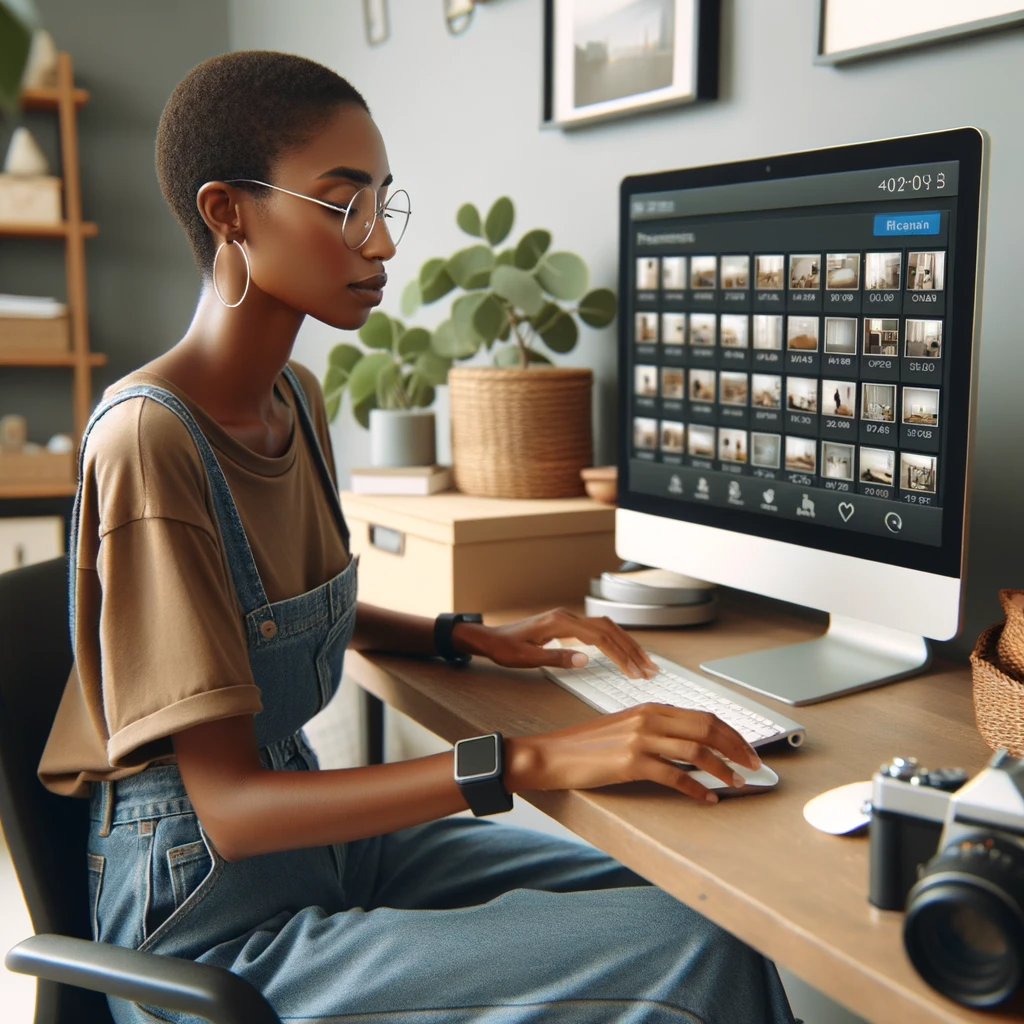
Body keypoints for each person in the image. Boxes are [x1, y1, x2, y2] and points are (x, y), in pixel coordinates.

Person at [38, 51, 796, 1024]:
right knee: (686, 957)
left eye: (382, 208)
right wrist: (532, 759)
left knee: (706, 911)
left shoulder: (291, 401)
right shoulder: (149, 440)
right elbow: (226, 804)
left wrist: (465, 635)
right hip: (214, 917)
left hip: (314, 843)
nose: (379, 246)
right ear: (228, 212)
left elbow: (271, 613)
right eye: (341, 204)